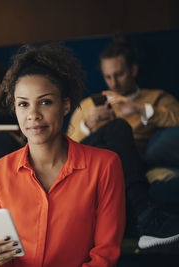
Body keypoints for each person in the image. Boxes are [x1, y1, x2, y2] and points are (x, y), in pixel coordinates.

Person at [0, 45, 126, 267]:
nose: (33, 115)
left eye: (45, 102)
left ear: (65, 105)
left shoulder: (105, 166)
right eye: (23, 104)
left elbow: (105, 256)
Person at [67, 36, 179, 249]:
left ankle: (142, 218)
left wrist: (140, 110)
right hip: (93, 160)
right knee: (118, 127)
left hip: (129, 163)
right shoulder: (90, 105)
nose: (113, 83)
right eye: (108, 76)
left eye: (119, 74)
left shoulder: (155, 98)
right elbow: (66, 148)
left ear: (134, 70)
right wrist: (87, 126)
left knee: (121, 130)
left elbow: (176, 119)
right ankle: (147, 217)